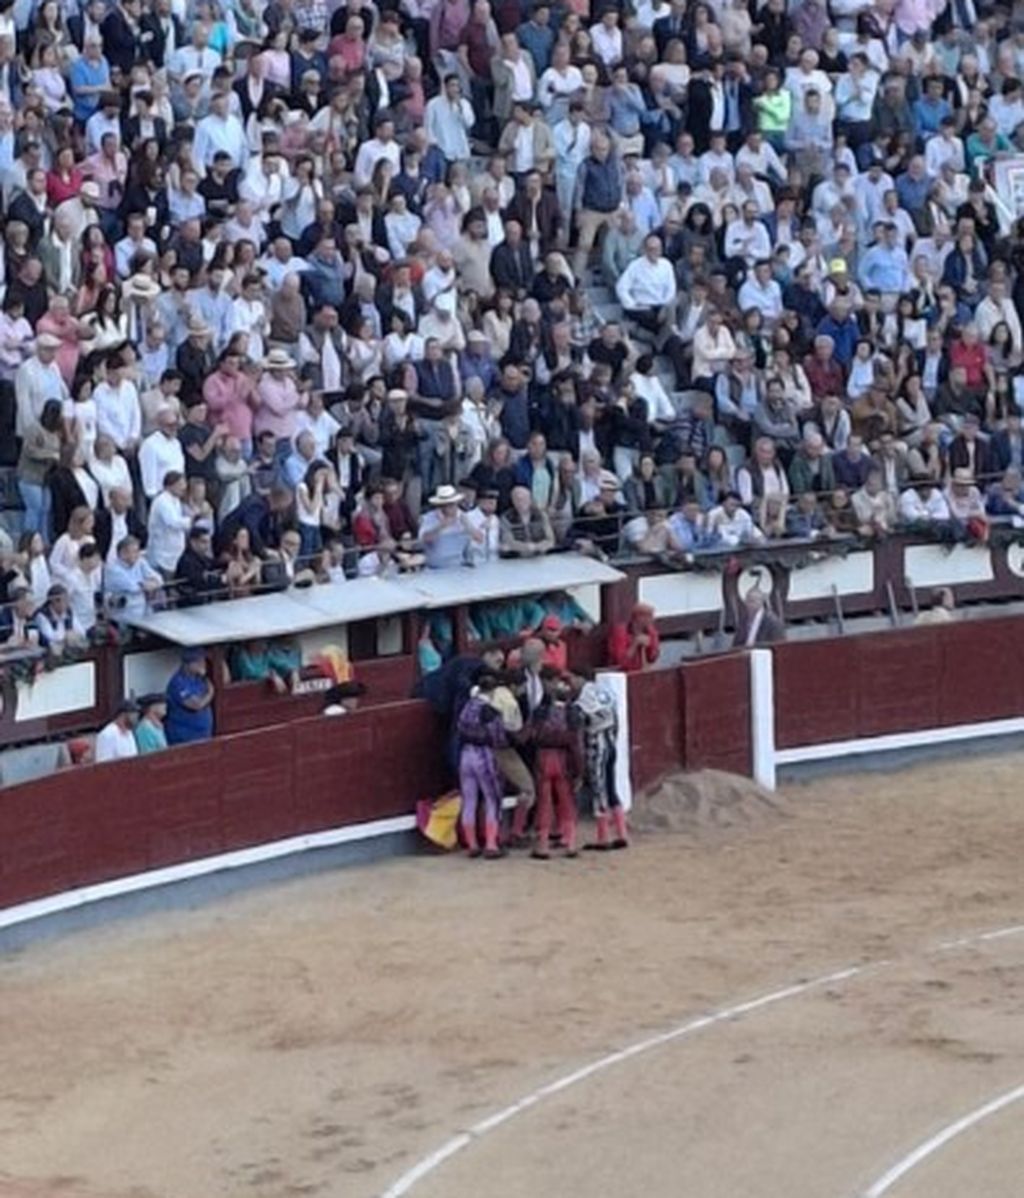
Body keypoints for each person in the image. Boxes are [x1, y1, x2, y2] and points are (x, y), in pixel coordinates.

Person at [573, 670, 628, 851]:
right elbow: (617, 720)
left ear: (581, 678)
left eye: (572, 678)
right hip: (611, 744)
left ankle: (603, 837)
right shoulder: (606, 693)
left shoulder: (583, 700)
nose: (571, 683)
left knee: (599, 789)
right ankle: (621, 833)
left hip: (597, 747)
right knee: (611, 787)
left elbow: (579, 727)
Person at [529, 670, 582, 860]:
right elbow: (575, 744)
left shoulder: (541, 712)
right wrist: (579, 771)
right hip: (563, 759)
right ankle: (571, 843)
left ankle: (543, 844)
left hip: (543, 758)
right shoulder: (572, 713)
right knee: (567, 801)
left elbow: (533, 736)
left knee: (545, 802)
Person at [455, 670, 507, 860]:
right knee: (492, 799)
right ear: (492, 691)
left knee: (469, 800)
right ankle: (491, 844)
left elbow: (459, 729)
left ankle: (472, 845)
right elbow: (499, 738)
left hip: (465, 755)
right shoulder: (490, 711)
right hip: (484, 756)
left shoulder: (467, 707)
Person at [165, 646, 215, 745]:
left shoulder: (199, 678)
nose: (203, 664)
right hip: (185, 738)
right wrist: (211, 692)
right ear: (188, 664)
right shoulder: (178, 682)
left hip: (203, 735)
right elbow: (196, 705)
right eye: (199, 662)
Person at [608, 602, 660, 672]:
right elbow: (620, 662)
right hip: (622, 674)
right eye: (649, 616)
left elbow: (652, 658)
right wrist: (634, 644)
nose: (652, 620)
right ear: (639, 617)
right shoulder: (620, 632)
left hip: (642, 672)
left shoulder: (651, 632)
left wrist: (649, 646)